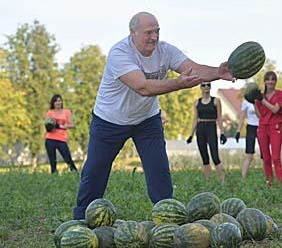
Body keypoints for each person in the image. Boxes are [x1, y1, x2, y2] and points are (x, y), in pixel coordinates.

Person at [73, 12, 233, 219]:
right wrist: (177, 83)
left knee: (159, 169)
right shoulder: (120, 53)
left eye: (157, 31)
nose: (154, 37)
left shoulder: (165, 51)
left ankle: (168, 217)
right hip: (109, 121)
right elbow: (143, 87)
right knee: (95, 170)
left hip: (147, 120)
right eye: (148, 32)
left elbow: (194, 69)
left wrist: (218, 73)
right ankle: (82, 218)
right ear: (133, 33)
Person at [252, 71, 282, 188]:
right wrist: (254, 102)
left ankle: (281, 184)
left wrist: (262, 100)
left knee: (276, 157)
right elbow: (259, 116)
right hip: (262, 128)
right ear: (265, 82)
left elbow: (275, 110)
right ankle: (270, 184)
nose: (270, 82)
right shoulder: (260, 97)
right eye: (268, 79)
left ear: (275, 81)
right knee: (266, 158)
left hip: (275, 126)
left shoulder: (280, 94)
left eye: (273, 79)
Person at [186, 82, 227, 182]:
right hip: (200, 129)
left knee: (215, 156)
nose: (206, 87)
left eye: (208, 85)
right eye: (203, 85)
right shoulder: (197, 102)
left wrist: (222, 133)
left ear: (210, 87)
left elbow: (219, 118)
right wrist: (191, 135)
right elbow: (195, 119)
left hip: (211, 127)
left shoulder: (216, 101)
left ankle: (222, 181)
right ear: (200, 87)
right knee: (204, 156)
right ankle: (208, 181)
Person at [44, 94, 78, 174]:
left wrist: (62, 126)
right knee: (53, 161)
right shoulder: (50, 113)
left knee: (68, 159)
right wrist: (50, 126)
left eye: (59, 101)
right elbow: (46, 124)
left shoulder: (66, 112)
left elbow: (71, 124)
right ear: (53, 103)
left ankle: (75, 173)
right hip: (50, 139)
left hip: (61, 139)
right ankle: (54, 176)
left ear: (62, 102)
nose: (58, 103)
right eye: (56, 101)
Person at [236, 94, 260, 179]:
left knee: (264, 154)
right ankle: (243, 178)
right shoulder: (246, 102)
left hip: (261, 127)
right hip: (251, 128)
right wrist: (238, 131)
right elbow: (242, 117)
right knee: (249, 155)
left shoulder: (261, 100)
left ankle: (268, 177)